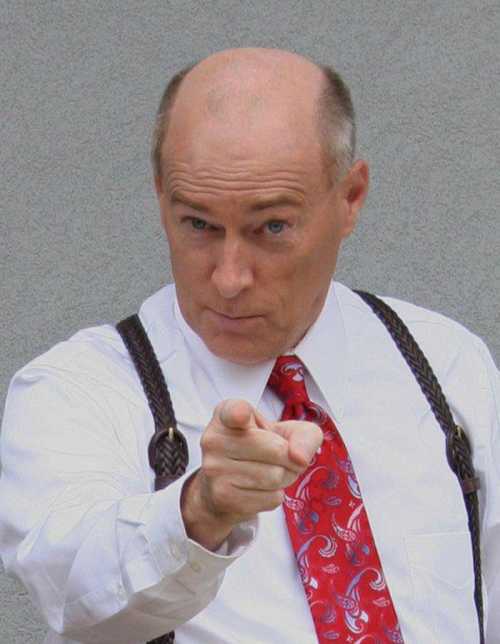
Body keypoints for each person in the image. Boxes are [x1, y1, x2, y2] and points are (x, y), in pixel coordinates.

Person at [0, 47, 498, 644]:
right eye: (198, 224)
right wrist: (198, 512)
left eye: (273, 227)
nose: (230, 277)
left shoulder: (446, 365)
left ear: (351, 198)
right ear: (161, 197)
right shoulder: (77, 389)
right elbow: (72, 590)